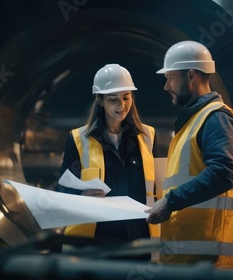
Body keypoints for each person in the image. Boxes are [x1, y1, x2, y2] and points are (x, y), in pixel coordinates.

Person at [145, 41, 233, 269]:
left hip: (210, 260)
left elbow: (223, 173)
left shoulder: (216, 118)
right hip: (190, 257)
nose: (166, 86)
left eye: (170, 78)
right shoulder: (195, 121)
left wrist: (170, 201)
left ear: (191, 76)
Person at [56, 64, 157, 258]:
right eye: (113, 100)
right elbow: (62, 190)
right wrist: (80, 193)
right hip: (97, 243)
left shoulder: (148, 136)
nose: (122, 105)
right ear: (100, 100)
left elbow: (157, 190)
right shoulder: (79, 139)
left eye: (126, 97)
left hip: (140, 241)